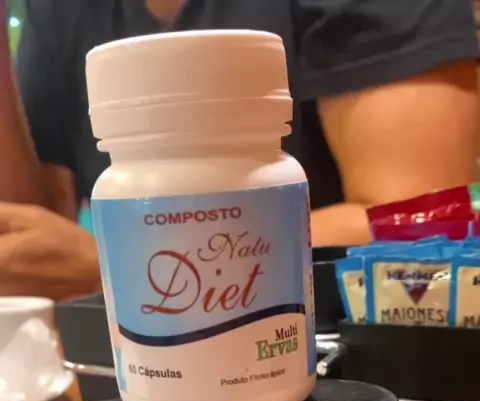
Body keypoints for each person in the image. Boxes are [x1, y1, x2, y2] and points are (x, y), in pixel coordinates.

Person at [0, 0, 478, 300]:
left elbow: (425, 221)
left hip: (349, 368)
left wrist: (121, 263)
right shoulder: (57, 11)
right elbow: (29, 251)